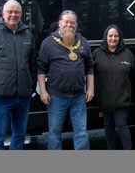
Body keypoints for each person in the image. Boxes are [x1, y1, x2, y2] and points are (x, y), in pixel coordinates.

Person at [0, 0, 37, 150]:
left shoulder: (28, 36)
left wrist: (30, 88)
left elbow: (32, 65)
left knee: (19, 135)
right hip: (1, 96)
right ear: (3, 14)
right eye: (10, 12)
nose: (14, 15)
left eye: (17, 12)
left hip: (23, 97)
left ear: (21, 14)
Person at [37, 10, 94, 150]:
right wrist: (43, 92)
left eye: (72, 22)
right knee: (54, 133)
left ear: (76, 25)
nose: (69, 25)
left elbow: (90, 67)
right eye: (66, 22)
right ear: (60, 23)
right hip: (56, 97)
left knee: (81, 133)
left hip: (79, 97)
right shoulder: (48, 43)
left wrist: (91, 89)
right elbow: (41, 69)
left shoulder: (83, 41)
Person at [92, 25, 135, 150]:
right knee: (108, 125)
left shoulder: (127, 53)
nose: (113, 38)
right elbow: (91, 75)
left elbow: (134, 74)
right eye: (110, 35)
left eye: (116, 36)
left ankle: (128, 149)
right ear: (106, 37)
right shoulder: (97, 53)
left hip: (122, 99)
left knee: (121, 125)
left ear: (119, 38)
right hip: (104, 99)